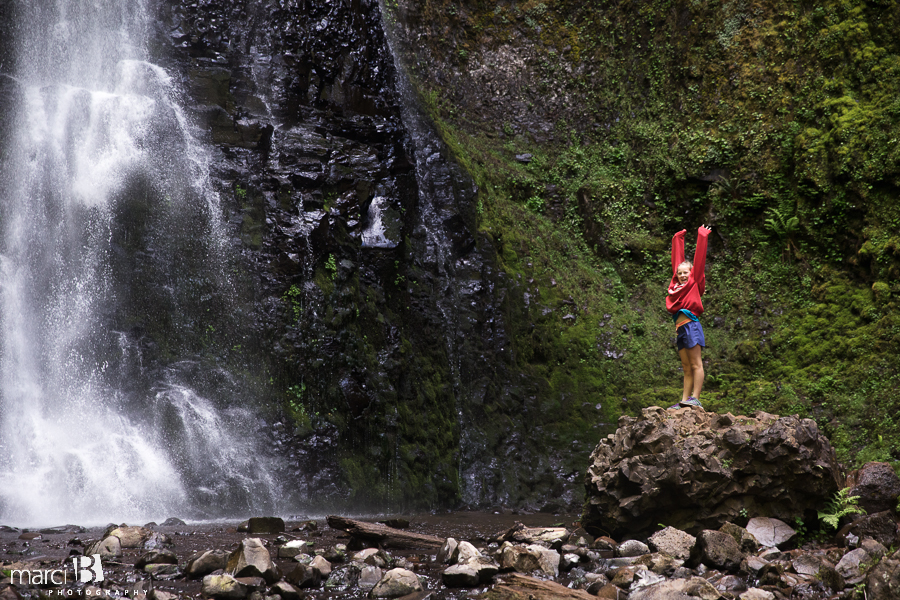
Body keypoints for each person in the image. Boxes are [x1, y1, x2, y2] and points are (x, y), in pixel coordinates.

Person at [666, 225, 711, 408]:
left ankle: (696, 399)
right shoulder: (676, 287)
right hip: (680, 328)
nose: (683, 275)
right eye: (680, 273)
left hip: (691, 325)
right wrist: (678, 239)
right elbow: (676, 263)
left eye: (686, 273)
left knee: (695, 364)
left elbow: (699, 261)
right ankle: (684, 401)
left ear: (692, 274)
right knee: (686, 367)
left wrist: (702, 236)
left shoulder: (694, 283)